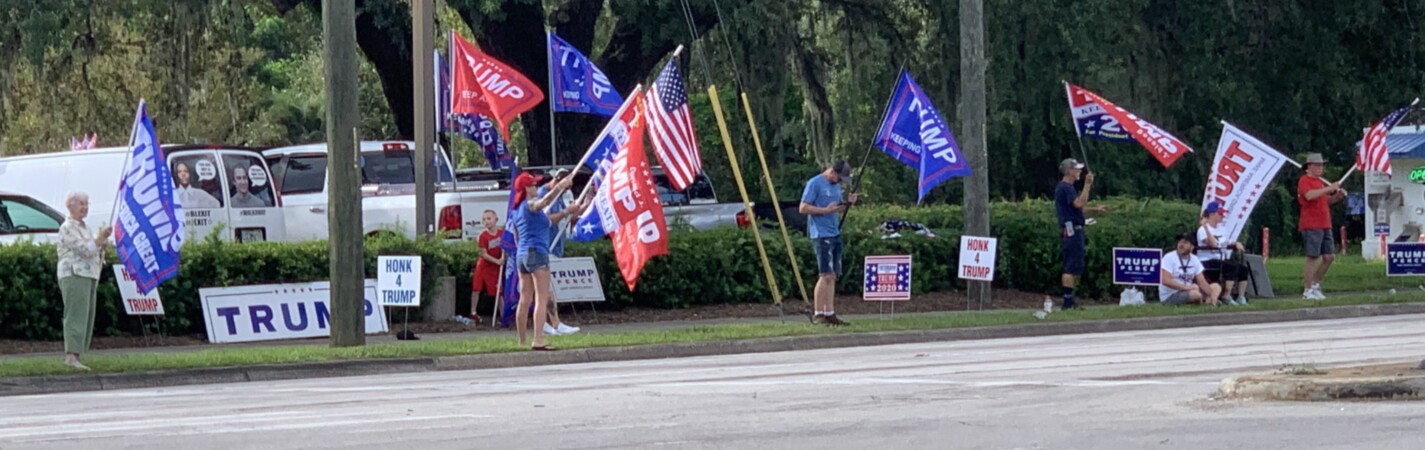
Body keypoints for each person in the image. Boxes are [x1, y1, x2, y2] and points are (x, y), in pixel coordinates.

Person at [512, 171, 584, 350]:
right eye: (533, 185)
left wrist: (567, 211)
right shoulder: (530, 205)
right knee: (541, 298)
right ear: (526, 188)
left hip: (522, 255)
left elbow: (548, 221)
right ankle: (538, 340)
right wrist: (559, 187)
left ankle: (521, 340)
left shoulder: (517, 211)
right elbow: (542, 203)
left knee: (524, 299)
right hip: (538, 253)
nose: (537, 187)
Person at [56, 192, 112, 370]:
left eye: (87, 204)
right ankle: (71, 357)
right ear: (70, 206)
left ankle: (77, 354)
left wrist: (101, 242)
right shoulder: (67, 227)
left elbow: (93, 249)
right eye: (81, 204)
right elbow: (84, 250)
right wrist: (98, 240)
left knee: (87, 315)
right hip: (74, 274)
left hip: (88, 274)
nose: (85, 207)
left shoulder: (85, 228)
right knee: (76, 314)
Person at [799, 160, 857, 326]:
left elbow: (836, 208)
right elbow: (803, 208)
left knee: (833, 275)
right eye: (839, 178)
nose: (840, 182)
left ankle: (830, 312)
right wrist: (825, 211)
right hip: (821, 234)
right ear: (832, 172)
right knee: (825, 274)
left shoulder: (836, 187)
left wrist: (847, 204)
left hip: (834, 232)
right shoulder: (815, 183)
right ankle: (818, 313)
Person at [1054, 158, 1104, 310]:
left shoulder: (1066, 188)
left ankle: (1070, 299)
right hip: (1071, 231)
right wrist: (1087, 185)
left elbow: (1076, 208)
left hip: (1073, 229)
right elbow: (1078, 203)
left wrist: (1096, 210)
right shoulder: (1066, 187)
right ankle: (1067, 301)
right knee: (1070, 266)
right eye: (1077, 169)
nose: (1079, 172)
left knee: (1074, 265)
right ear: (1069, 171)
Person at [537, 169, 580, 336]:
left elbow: (568, 214)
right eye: (564, 185)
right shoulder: (543, 194)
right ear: (557, 180)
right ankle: (552, 323)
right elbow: (546, 219)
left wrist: (581, 206)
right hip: (545, 246)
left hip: (555, 246)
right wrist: (565, 212)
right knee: (544, 289)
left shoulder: (560, 197)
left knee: (545, 289)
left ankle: (549, 323)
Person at [1297, 153, 1345, 300]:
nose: (1320, 168)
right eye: (1317, 165)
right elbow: (1310, 196)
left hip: (1325, 223)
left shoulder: (1320, 182)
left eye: (1321, 165)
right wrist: (1329, 188)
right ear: (1308, 167)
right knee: (1312, 256)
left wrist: (1336, 197)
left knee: (1329, 256)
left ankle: (1315, 284)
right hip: (1311, 224)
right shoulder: (1305, 180)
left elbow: (1325, 202)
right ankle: (1307, 290)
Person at [1197, 201, 1250, 305]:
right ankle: (1226, 295)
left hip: (1220, 258)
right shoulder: (1202, 230)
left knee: (1243, 269)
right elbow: (1213, 244)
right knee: (1231, 267)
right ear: (1212, 214)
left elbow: (1225, 243)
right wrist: (1206, 228)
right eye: (1220, 213)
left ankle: (1241, 296)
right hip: (1206, 259)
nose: (1223, 216)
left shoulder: (1222, 229)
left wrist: (1235, 244)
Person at [1160, 233, 1223, 306]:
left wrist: (1211, 294)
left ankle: (1212, 302)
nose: (1181, 245)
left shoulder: (1194, 259)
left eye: (1185, 243)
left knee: (1216, 287)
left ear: (1192, 247)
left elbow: (1202, 281)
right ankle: (1207, 304)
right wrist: (1187, 288)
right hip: (1171, 295)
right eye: (1180, 242)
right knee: (1195, 294)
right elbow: (1165, 281)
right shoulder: (1169, 257)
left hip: (1190, 290)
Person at [468, 210, 503, 324]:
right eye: (484, 219)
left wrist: (501, 259)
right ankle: (473, 312)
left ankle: (504, 315)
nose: (486, 221)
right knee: (476, 288)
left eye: (489, 218)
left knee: (499, 290)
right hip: (484, 266)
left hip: (495, 267)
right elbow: (483, 254)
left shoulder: (501, 233)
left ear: (495, 219)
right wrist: (497, 261)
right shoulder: (483, 236)